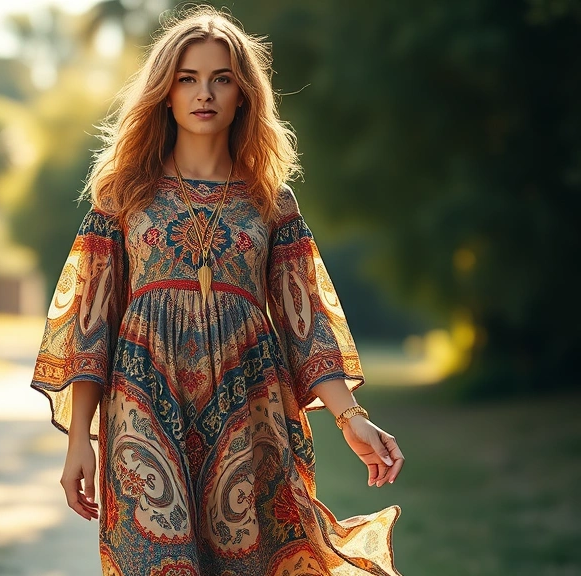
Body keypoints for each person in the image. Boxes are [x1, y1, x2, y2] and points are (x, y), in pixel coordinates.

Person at [30, 6, 405, 575]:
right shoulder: (123, 194)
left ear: (243, 95)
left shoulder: (271, 203)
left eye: (221, 78)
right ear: (166, 92)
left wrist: (350, 416)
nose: (204, 93)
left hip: (251, 419)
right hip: (143, 416)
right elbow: (90, 324)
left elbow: (309, 327)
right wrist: (79, 438)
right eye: (188, 79)